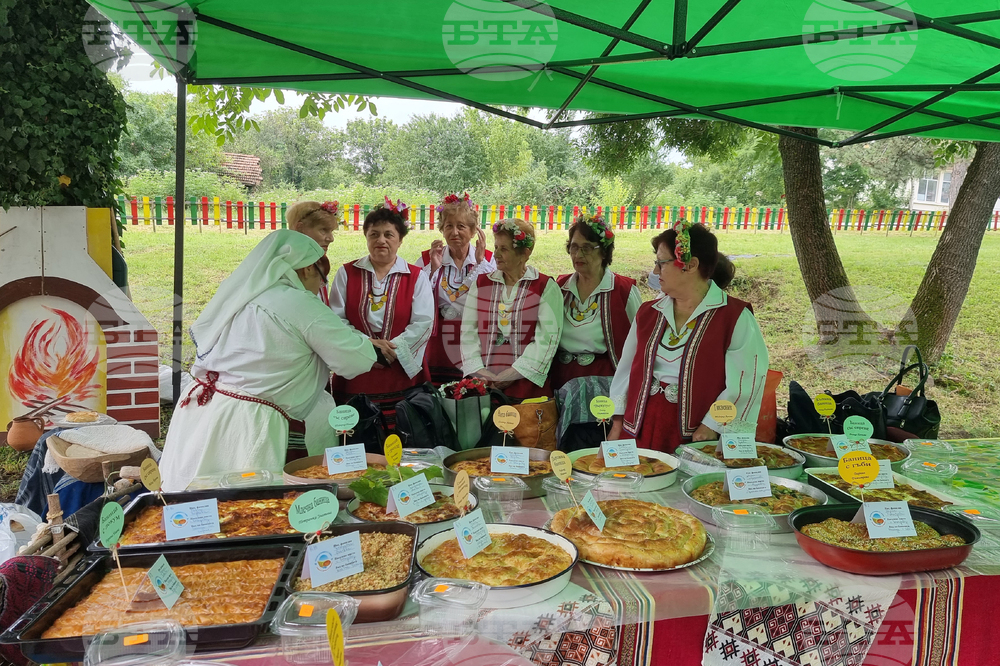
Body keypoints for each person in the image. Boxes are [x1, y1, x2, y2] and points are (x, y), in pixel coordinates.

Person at [160, 231, 376, 491]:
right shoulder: (298, 303)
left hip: (204, 408)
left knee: (192, 496)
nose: (322, 286)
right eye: (322, 277)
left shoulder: (244, 295)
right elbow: (357, 360)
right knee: (249, 506)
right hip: (249, 423)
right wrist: (366, 342)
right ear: (308, 268)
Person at [608, 221, 768, 453]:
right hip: (641, 427)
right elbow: (626, 371)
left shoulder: (734, 317)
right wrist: (618, 423)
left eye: (661, 263)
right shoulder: (648, 313)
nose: (655, 271)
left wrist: (711, 424)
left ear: (691, 265)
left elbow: (746, 381)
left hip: (697, 434)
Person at [329, 197, 434, 430]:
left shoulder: (416, 276)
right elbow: (335, 319)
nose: (381, 240)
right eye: (374, 234)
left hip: (400, 370)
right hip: (357, 369)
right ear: (366, 237)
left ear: (400, 240)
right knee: (357, 435)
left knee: (405, 433)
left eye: (389, 234)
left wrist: (388, 352)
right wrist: (368, 346)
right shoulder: (347, 273)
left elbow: (424, 322)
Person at [552, 214, 642, 451]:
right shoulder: (559, 288)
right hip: (560, 380)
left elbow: (641, 344)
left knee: (593, 451)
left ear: (603, 251)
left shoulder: (623, 291)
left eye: (586, 248)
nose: (578, 255)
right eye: (573, 247)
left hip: (604, 385)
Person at [461, 218, 563, 399]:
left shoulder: (544, 287)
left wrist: (514, 373)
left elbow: (547, 339)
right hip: (484, 383)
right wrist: (480, 371)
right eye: (496, 247)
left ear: (524, 253)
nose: (496, 254)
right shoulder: (482, 284)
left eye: (504, 249)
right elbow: (468, 332)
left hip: (525, 384)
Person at [415, 193, 496, 384]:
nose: (454, 232)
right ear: (442, 230)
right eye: (448, 226)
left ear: (473, 231)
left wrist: (480, 264)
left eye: (461, 226)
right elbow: (416, 297)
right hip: (438, 343)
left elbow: (495, 297)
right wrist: (433, 268)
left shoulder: (487, 260)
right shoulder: (428, 259)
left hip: (474, 338)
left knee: (472, 390)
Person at [287, 200, 339, 306]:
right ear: (300, 228)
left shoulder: (319, 263)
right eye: (323, 230)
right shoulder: (286, 269)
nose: (331, 239)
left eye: (331, 231)